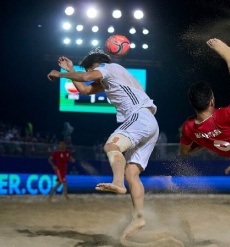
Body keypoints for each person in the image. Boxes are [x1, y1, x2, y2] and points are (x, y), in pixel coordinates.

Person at [47, 49, 159, 241]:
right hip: (151, 123)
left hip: (139, 116)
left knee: (111, 146)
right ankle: (139, 217)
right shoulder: (116, 76)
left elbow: (85, 77)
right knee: (132, 173)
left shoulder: (109, 67)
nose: (92, 75)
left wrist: (61, 74)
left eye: (90, 70)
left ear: (95, 66)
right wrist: (72, 69)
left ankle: (117, 183)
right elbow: (84, 89)